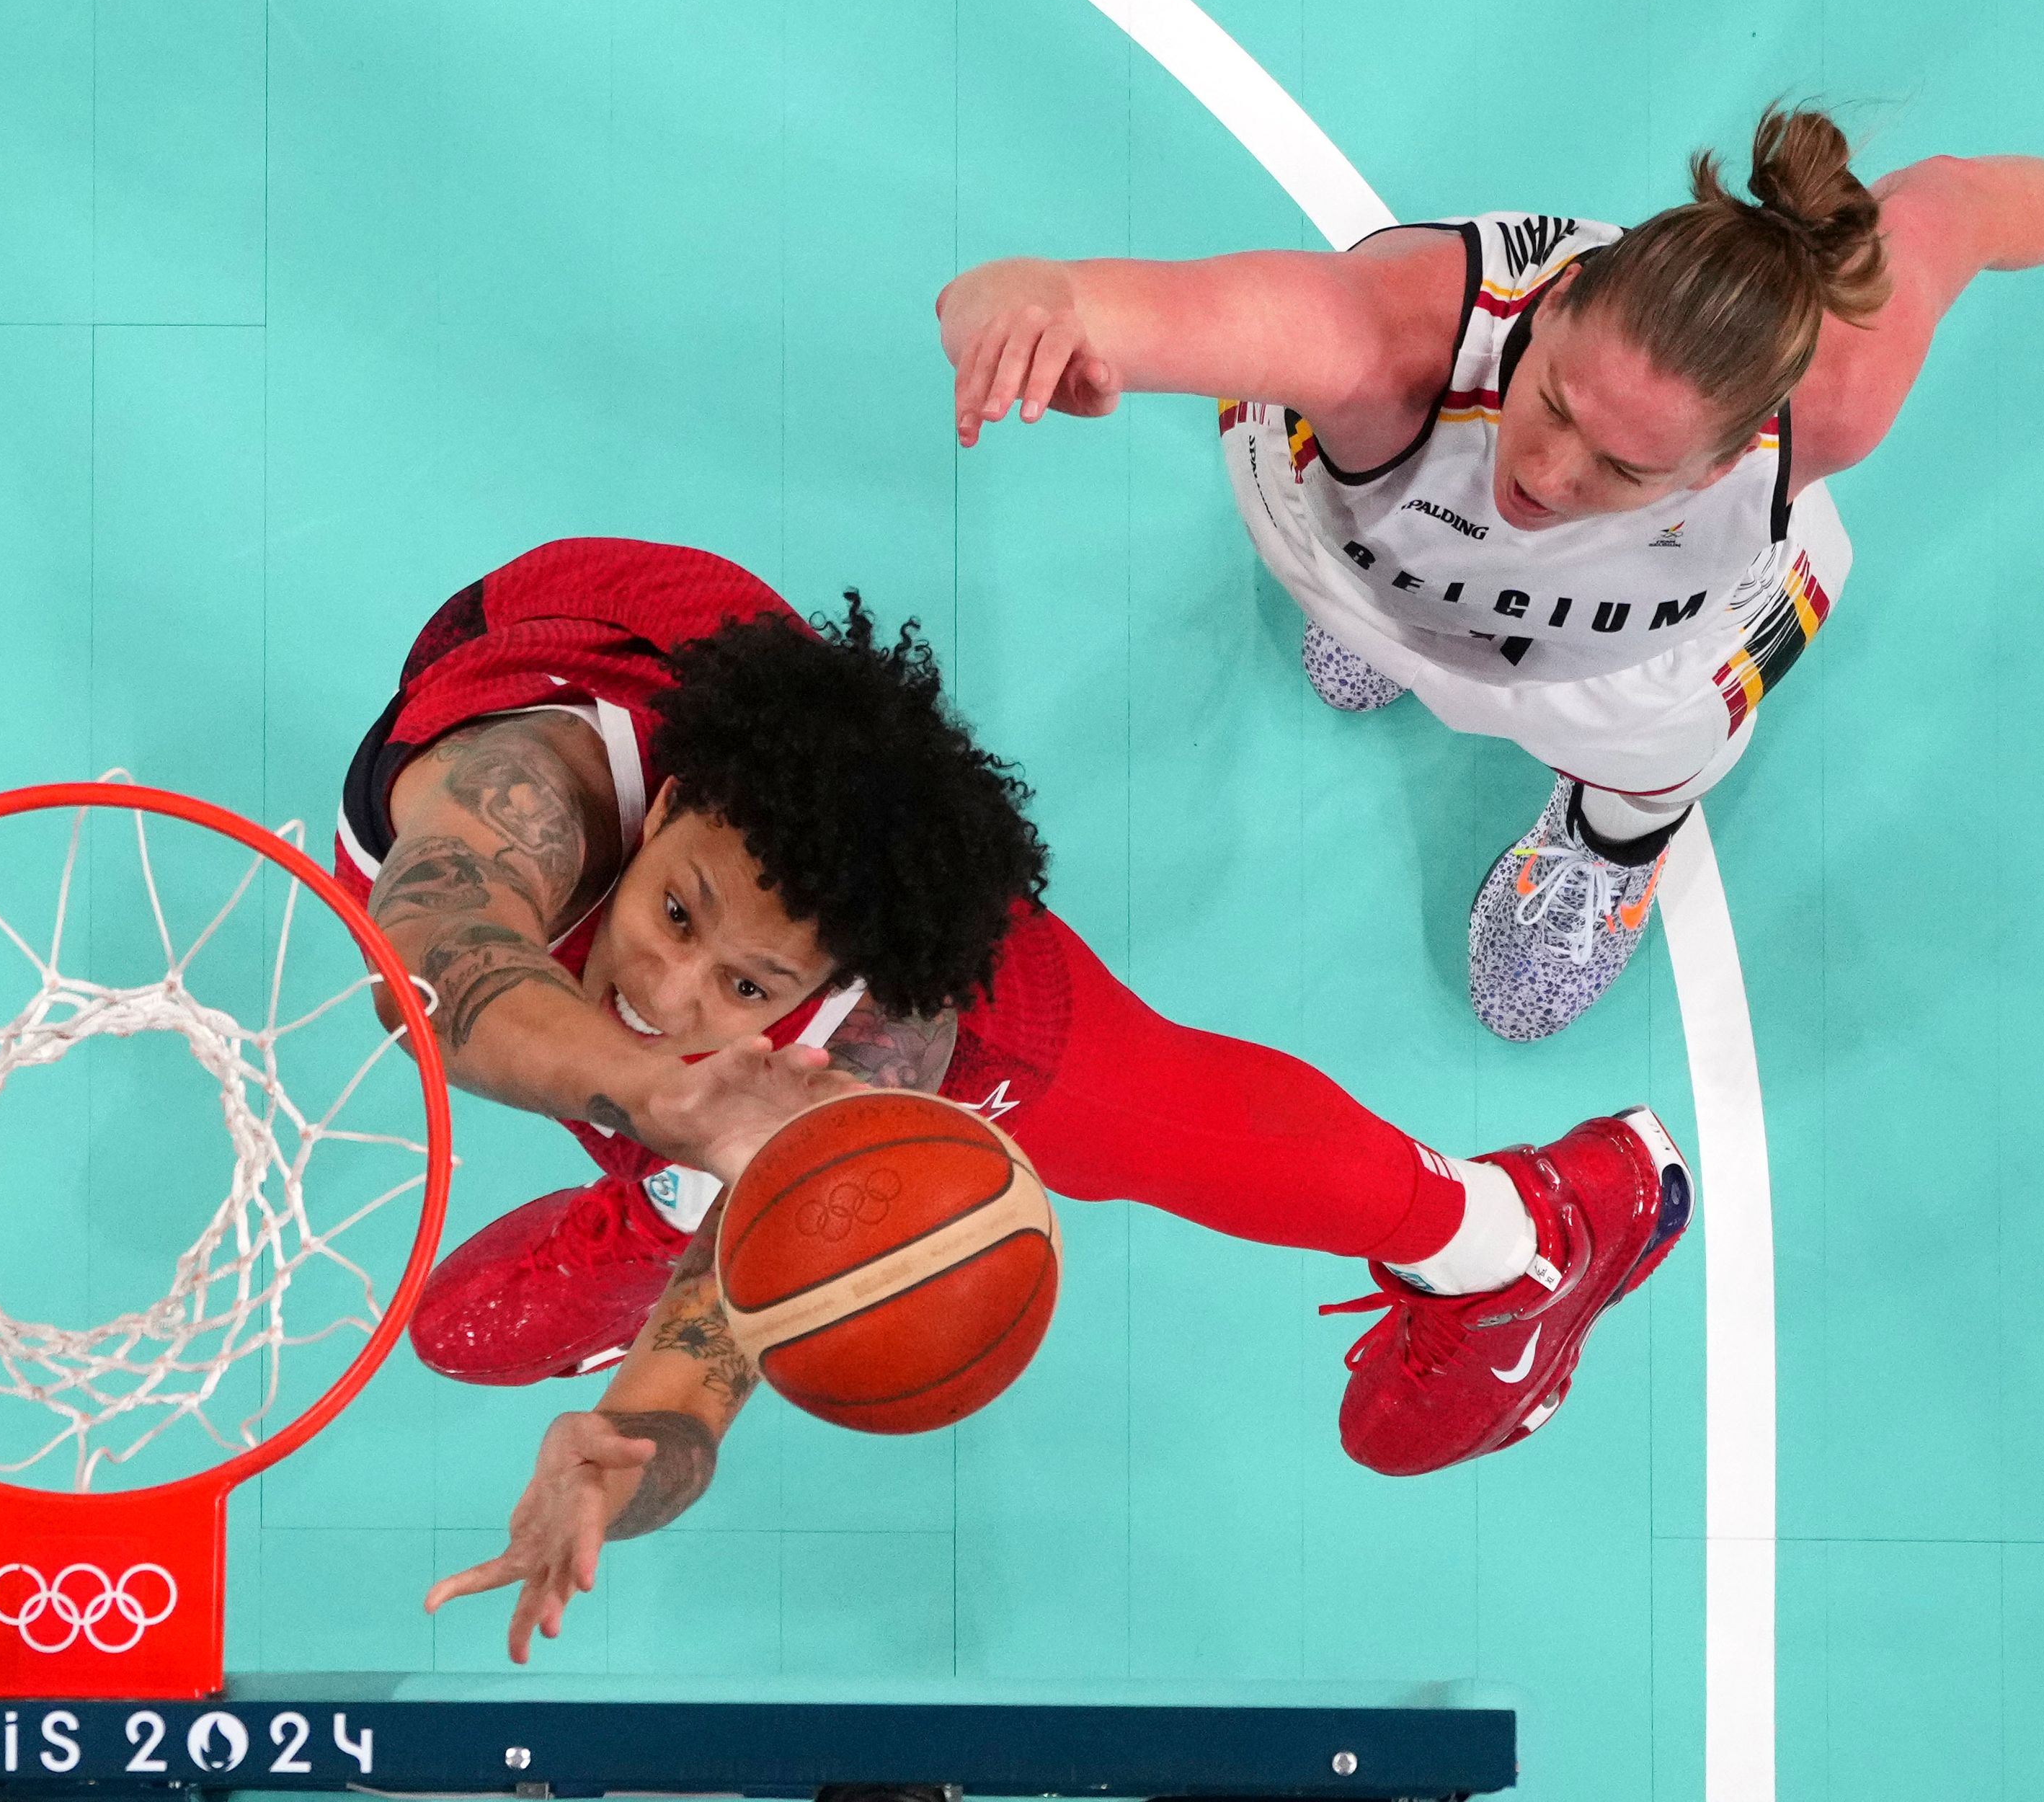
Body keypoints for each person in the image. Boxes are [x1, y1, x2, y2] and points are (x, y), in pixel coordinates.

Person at [332, 536, 1689, 1660]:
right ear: (672, 798)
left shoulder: (897, 1028)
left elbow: (752, 1305)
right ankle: (670, 1171)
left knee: (1145, 1118)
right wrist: (652, 1095)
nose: (675, 990)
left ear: (830, 986)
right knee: (586, 1056)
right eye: (676, 911)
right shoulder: (527, 786)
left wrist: (633, 1448)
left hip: (909, 1002)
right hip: (596, 643)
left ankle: (1528, 1237)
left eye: (748, 987)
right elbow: (450, 954)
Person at [934, 107, 2044, 1039]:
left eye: (1620, 466)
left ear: (1721, 462)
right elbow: (1068, 295)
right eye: (1553, 402)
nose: (1546, 469)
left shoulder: (1835, 403)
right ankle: (1394, 626)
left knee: (1661, 745)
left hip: (1623, 645)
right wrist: (1022, 314)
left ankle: (1605, 844)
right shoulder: (1390, 341)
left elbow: (1950, 206)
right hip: (1355, 535)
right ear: (1563, 299)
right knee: (1369, 602)